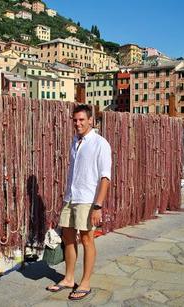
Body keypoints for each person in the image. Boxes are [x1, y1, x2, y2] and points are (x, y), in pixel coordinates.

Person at [46, 104, 112, 300]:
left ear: (91, 120)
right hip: (71, 197)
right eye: (75, 120)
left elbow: (105, 177)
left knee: (87, 239)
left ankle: (85, 283)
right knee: (67, 237)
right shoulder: (75, 141)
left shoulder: (100, 143)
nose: (78, 123)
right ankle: (68, 278)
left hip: (87, 199)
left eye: (82, 119)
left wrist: (98, 206)